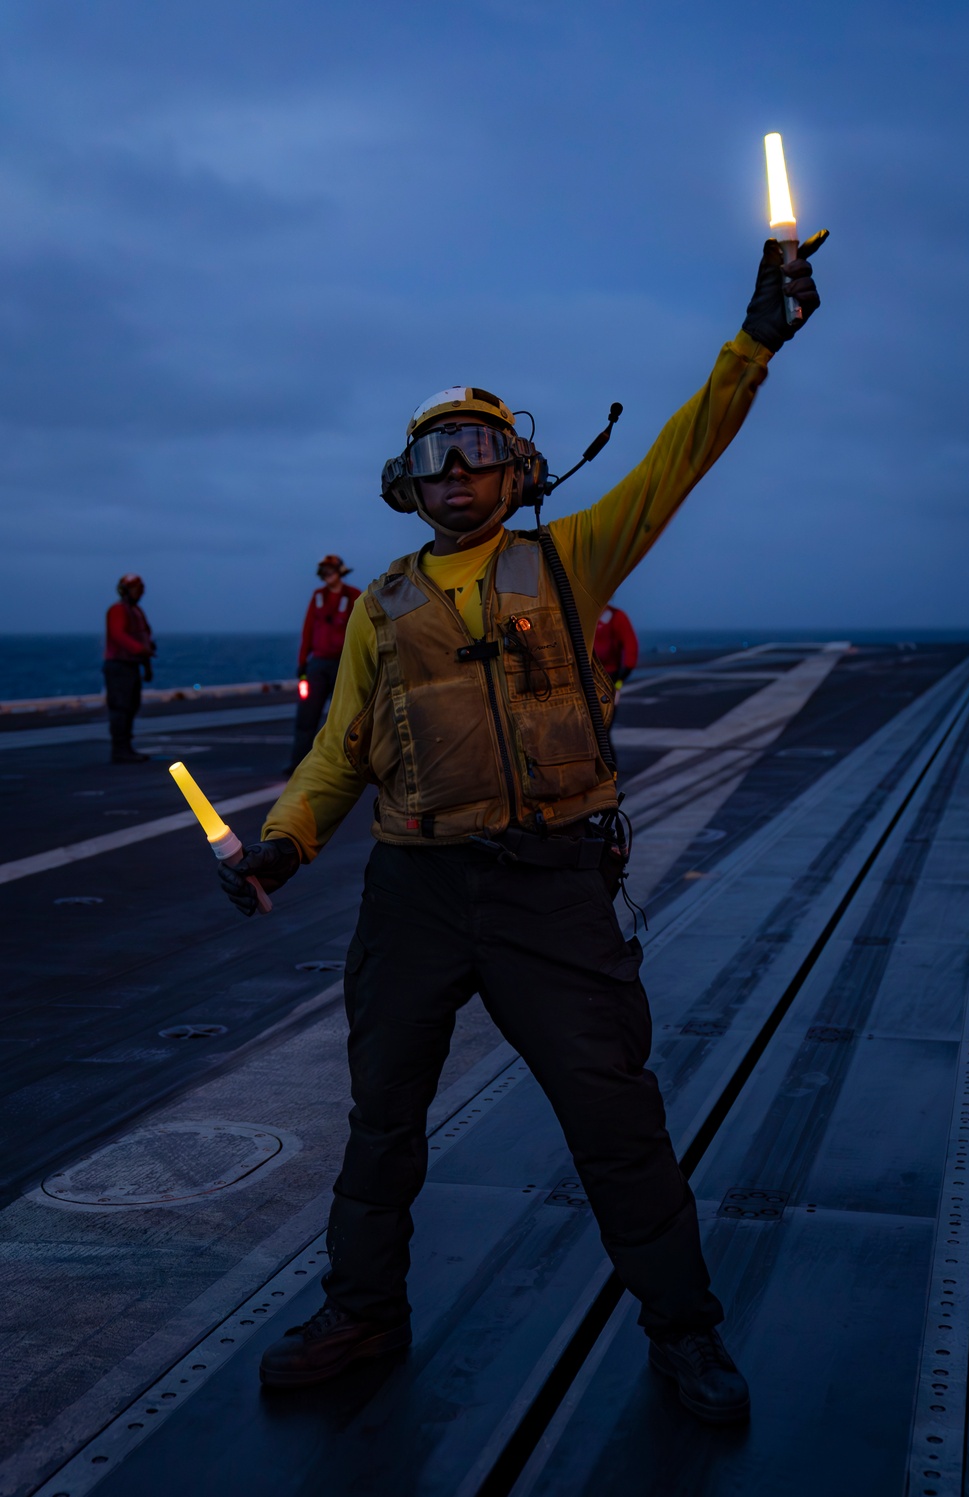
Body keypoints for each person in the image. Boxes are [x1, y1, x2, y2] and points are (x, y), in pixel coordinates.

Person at [218, 238, 824, 1421]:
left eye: (479, 450)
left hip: (551, 883)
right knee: (383, 1113)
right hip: (415, 888)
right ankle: (363, 1314)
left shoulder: (569, 559)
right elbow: (341, 751)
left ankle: (683, 1330)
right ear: (410, 479)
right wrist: (283, 845)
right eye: (437, 456)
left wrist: (751, 344)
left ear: (515, 467)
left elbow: (676, 460)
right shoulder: (382, 609)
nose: (457, 473)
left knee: (614, 1113)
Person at [286, 555, 361, 773]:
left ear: (340, 572)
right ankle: (297, 764)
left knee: (345, 717)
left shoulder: (354, 596)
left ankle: (345, 766)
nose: (327, 575)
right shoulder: (318, 597)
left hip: (342, 665)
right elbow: (308, 630)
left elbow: (360, 631)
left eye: (331, 570)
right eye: (325, 571)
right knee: (306, 716)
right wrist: (303, 663)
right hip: (317, 665)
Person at [103, 573, 155, 764]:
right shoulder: (118, 610)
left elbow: (145, 637)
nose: (139, 593)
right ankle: (120, 749)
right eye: (135, 589)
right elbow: (118, 635)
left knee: (131, 706)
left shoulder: (137, 612)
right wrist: (141, 650)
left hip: (133, 665)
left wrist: (146, 663)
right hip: (119, 665)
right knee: (120, 708)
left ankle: (126, 746)